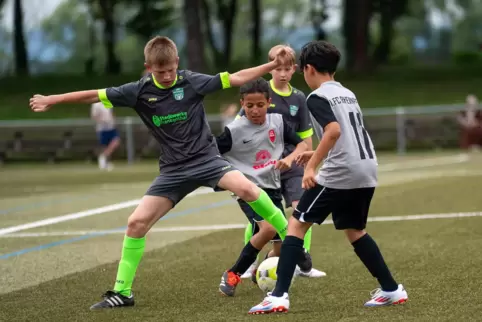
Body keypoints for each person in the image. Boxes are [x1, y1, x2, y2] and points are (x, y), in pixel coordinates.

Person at [29, 36, 295, 310]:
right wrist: (53, 99)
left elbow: (237, 77)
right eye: (160, 71)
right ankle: (122, 292)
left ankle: (291, 237)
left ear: (177, 63)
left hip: (207, 160)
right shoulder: (137, 91)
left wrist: (272, 64)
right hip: (173, 171)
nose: (167, 76)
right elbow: (94, 94)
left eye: (170, 69)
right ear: (148, 67)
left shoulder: (191, 81)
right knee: (136, 223)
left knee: (249, 189)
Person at [249, 40, 408, 315]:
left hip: (342, 172)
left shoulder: (316, 96)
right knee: (355, 231)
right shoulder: (347, 93)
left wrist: (312, 168)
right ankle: (392, 289)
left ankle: (278, 296)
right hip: (366, 167)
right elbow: (344, 133)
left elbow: (333, 131)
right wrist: (313, 153)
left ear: (309, 69)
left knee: (296, 224)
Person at [215, 78, 309, 296]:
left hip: (273, 188)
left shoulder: (278, 122)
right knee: (267, 228)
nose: (255, 110)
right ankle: (232, 275)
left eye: (260, 105)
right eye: (249, 106)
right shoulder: (233, 130)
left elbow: (302, 144)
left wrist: (291, 158)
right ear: (242, 104)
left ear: (268, 102)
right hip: (249, 190)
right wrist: (227, 177)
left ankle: (262, 270)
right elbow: (211, 153)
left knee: (277, 247)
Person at [237, 45, 325, 279]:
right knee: (262, 217)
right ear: (270, 69)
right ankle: (249, 263)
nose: (283, 73)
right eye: (278, 68)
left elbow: (306, 139)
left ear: (294, 69)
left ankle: (300, 257)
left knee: (300, 209)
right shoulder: (259, 95)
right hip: (264, 168)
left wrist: (309, 164)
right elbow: (240, 130)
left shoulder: (299, 98)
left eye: (287, 69)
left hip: (293, 164)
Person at [90, 101, 120, 170]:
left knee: (116, 141)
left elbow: (111, 113)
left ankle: (103, 157)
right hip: (102, 128)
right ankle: (105, 162)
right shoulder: (96, 105)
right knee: (105, 146)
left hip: (111, 127)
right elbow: (94, 116)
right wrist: (102, 121)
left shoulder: (107, 102)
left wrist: (114, 121)